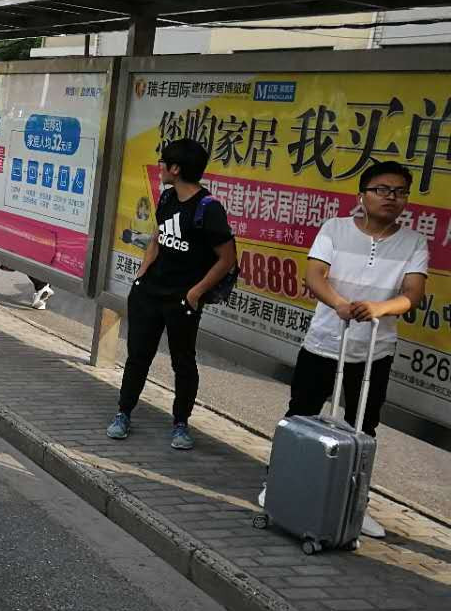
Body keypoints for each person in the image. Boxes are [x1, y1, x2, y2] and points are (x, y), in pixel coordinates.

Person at [260, 160, 428, 537]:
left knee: (362, 428)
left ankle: (353, 505)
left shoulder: (413, 242)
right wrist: (338, 302)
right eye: (382, 189)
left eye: (400, 192)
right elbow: (314, 274)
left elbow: (413, 293)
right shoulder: (334, 229)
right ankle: (279, 485)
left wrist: (380, 309)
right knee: (301, 415)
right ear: (362, 196)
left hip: (373, 353)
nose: (392, 198)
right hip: (323, 343)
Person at [107, 138, 236, 450]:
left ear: (177, 169)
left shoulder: (209, 209)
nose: (160, 167)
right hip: (149, 293)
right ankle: (123, 413)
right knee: (138, 356)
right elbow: (157, 238)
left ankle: (180, 423)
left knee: (183, 361)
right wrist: (141, 274)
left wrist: (194, 294)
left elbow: (227, 258)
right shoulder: (167, 198)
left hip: (182, 300)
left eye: (164, 162)